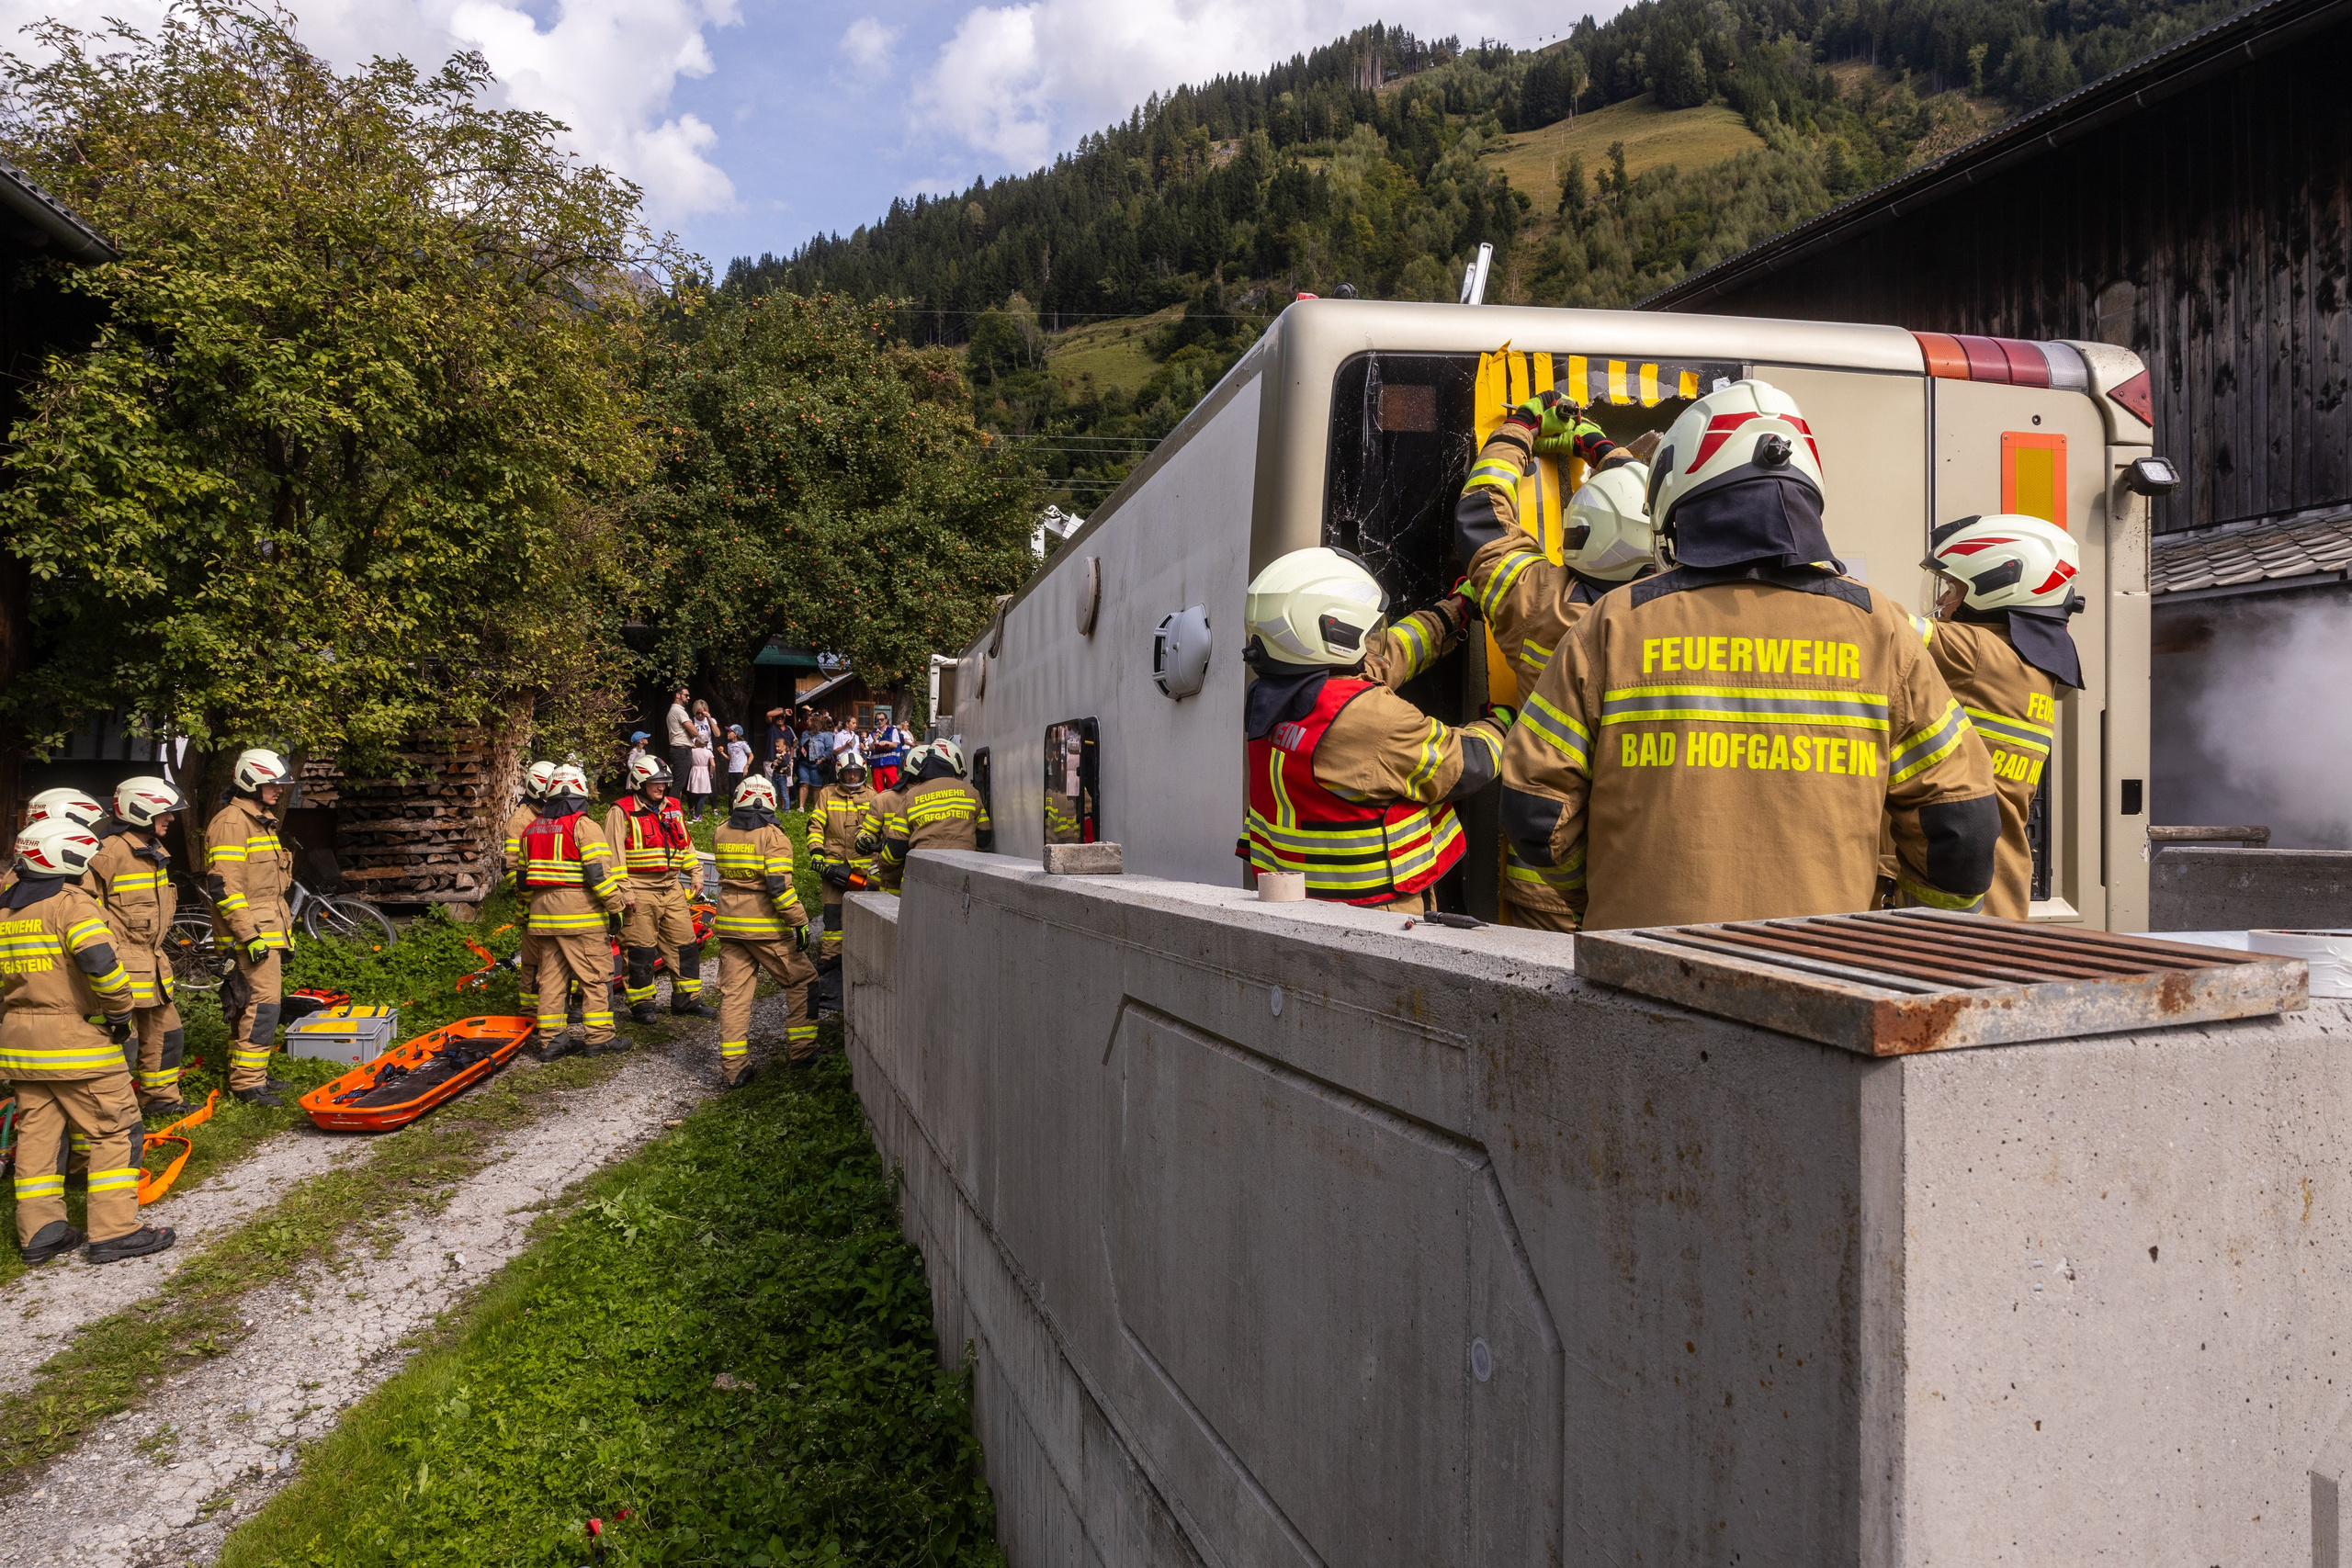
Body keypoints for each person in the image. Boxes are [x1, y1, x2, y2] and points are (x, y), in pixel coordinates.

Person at [1498, 378, 1998, 931]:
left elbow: (1535, 808)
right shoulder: (1883, 633)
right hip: (1825, 970)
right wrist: (1905, 928)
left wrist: (1605, 893)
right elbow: (1963, 827)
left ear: (1678, 499)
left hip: (1636, 962)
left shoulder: (1613, 625)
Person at [1454, 395, 1660, 930]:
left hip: (1547, 885)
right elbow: (1644, 513)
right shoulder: (1681, 622)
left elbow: (1481, 513)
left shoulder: (1536, 603)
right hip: (1644, 877)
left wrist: (1519, 427)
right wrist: (1603, 447)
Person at [1240, 547, 1512, 912]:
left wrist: (1452, 613)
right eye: (1366, 631)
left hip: (1304, 907)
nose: (1374, 640)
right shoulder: (1373, 719)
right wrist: (1501, 723)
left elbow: (1389, 654)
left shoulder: (1269, 697)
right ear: (1332, 631)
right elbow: (1464, 763)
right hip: (1379, 916)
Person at [5, 817, 174, 1266]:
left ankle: (42, 1233)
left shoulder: (6, 910)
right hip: (77, 1042)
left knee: (39, 1137)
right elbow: (101, 965)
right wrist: (119, 1012)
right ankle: (115, 1230)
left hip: (21, 1046)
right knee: (115, 1129)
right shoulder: (72, 904)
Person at [1915, 513, 2086, 919]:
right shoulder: (2029, 662)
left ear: (1995, 584)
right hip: (1999, 894)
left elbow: (1873, 623)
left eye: (1953, 588)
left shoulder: (1977, 651)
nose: (1942, 602)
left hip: (1959, 905)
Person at [90, 776, 193, 1117]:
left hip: (153, 964)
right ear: (140, 810)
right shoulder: (108, 853)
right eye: (165, 812)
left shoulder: (155, 851)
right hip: (121, 965)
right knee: (125, 1042)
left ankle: (161, 1099)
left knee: (168, 1033)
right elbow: (86, 911)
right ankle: (114, 1112)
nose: (171, 818)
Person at [712, 774, 820, 1082]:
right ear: (771, 801)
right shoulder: (773, 836)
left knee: (735, 996)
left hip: (730, 925)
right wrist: (799, 921)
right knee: (804, 981)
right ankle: (802, 1053)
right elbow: (778, 888)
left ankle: (735, 1070)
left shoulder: (721, 830)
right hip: (766, 928)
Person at [204, 748, 298, 1105]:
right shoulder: (232, 824)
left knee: (250, 1007)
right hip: (252, 935)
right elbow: (226, 887)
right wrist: (250, 935)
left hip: (266, 930)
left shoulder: (260, 820)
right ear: (251, 783)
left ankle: (251, 1073)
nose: (279, 790)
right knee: (262, 1007)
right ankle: (248, 1083)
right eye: (272, 784)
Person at [516, 763, 627, 1058]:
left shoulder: (531, 829)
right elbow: (598, 876)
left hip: (543, 918)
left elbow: (522, 882)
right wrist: (615, 907)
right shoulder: (584, 826)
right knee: (596, 976)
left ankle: (552, 1040)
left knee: (551, 980)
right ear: (581, 793)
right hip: (581, 917)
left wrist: (528, 911)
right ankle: (600, 1037)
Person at [604, 754, 714, 1025]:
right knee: (639, 950)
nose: (662, 787)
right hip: (638, 889)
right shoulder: (621, 811)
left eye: (664, 782)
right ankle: (642, 1004)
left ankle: (687, 999)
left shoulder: (672, 807)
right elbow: (613, 857)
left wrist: (695, 872)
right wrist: (625, 891)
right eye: (656, 782)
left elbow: (684, 843)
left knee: (685, 945)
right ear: (640, 783)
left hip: (672, 887)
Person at [874, 739, 995, 886]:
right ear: (955, 763)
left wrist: (883, 865)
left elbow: (897, 847)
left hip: (922, 875)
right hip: (963, 873)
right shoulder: (971, 792)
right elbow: (984, 836)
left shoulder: (911, 796)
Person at [808, 749, 877, 972]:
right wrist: (816, 851)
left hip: (863, 867)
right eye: (848, 773)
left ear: (863, 772)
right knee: (832, 913)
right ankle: (830, 956)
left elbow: (881, 829)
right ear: (840, 773)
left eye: (857, 772)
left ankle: (865, 954)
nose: (853, 776)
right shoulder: (827, 794)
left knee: (865, 912)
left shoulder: (874, 796)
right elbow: (815, 826)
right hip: (834, 863)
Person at [503, 761, 560, 1031]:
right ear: (538, 788)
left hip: (555, 902)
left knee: (557, 957)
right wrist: (529, 897)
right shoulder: (521, 821)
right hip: (532, 905)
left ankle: (558, 1005)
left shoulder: (553, 813)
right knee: (533, 962)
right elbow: (512, 869)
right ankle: (530, 1011)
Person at [797, 712, 834, 813]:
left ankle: (817, 808)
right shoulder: (805, 733)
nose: (807, 721)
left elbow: (829, 750)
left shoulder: (826, 735)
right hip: (804, 763)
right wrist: (800, 749)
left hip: (817, 764)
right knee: (804, 784)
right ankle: (801, 807)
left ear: (815, 722)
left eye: (809, 720)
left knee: (817, 787)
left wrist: (822, 759)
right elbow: (800, 745)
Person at [868, 718, 906, 791]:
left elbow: (895, 745)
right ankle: (880, 798)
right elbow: (870, 748)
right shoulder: (873, 733)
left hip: (890, 762)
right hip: (877, 764)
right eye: (877, 720)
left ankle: (893, 797)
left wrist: (886, 742)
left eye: (881, 719)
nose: (879, 721)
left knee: (893, 786)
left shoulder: (893, 730)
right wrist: (874, 741)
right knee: (878, 788)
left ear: (886, 720)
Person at [665, 686, 694, 776]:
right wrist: (692, 731)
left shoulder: (674, 710)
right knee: (679, 782)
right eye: (686, 695)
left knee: (680, 780)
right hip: (681, 751)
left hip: (680, 751)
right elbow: (695, 732)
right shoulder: (678, 711)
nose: (688, 698)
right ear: (678, 695)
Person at [685, 739, 717, 820]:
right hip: (704, 771)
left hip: (694, 770)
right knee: (702, 794)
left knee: (695, 792)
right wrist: (711, 773)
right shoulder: (708, 752)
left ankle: (696, 813)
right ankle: (698, 815)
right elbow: (713, 764)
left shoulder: (692, 751)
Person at [725, 725, 752, 802]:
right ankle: (731, 808)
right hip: (731, 771)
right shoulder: (729, 745)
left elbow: (751, 755)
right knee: (732, 792)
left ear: (735, 734)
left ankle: (741, 806)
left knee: (741, 790)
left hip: (740, 771)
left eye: (730, 732)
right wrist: (722, 753)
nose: (728, 733)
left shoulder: (743, 744)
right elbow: (730, 758)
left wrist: (746, 767)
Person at [763, 708, 789, 782]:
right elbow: (768, 714)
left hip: (784, 761)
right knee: (771, 784)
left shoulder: (788, 729)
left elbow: (792, 743)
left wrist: (790, 758)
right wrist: (783, 711)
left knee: (785, 784)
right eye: (778, 716)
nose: (780, 718)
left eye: (782, 717)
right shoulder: (771, 726)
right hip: (771, 760)